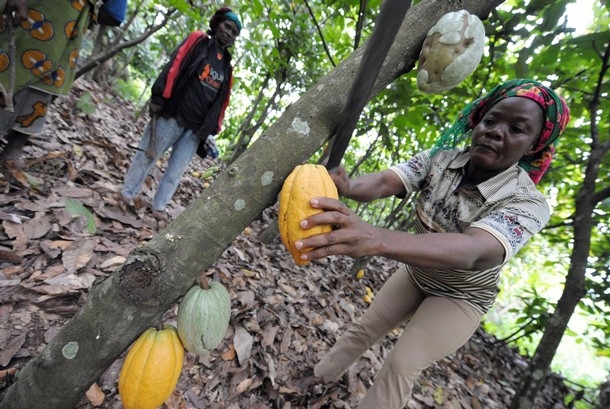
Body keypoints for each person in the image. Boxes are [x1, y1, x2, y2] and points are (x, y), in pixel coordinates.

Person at [293, 79, 570, 409]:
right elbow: (384, 181)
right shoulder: (441, 159)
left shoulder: (527, 203)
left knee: (400, 366)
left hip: (461, 296)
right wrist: (348, 185)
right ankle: (317, 379)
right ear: (476, 123)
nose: (496, 132)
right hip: (417, 275)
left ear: (533, 147)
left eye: (517, 128)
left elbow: (475, 251)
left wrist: (377, 238)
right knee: (364, 329)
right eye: (491, 121)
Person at [120, 6, 241, 222]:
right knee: (148, 155)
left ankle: (159, 206)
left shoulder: (227, 67)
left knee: (175, 172)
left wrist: (213, 128)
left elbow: (222, 101)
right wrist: (159, 97)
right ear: (217, 24)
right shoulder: (199, 41)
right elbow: (175, 64)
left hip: (195, 129)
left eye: (234, 32)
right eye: (227, 27)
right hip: (173, 114)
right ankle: (127, 194)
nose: (229, 33)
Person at [0, 0, 126, 165]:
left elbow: (114, 14)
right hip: (40, 20)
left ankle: (14, 147)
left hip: (61, 30)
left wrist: (80, 10)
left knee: (39, 83)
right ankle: (14, 148)